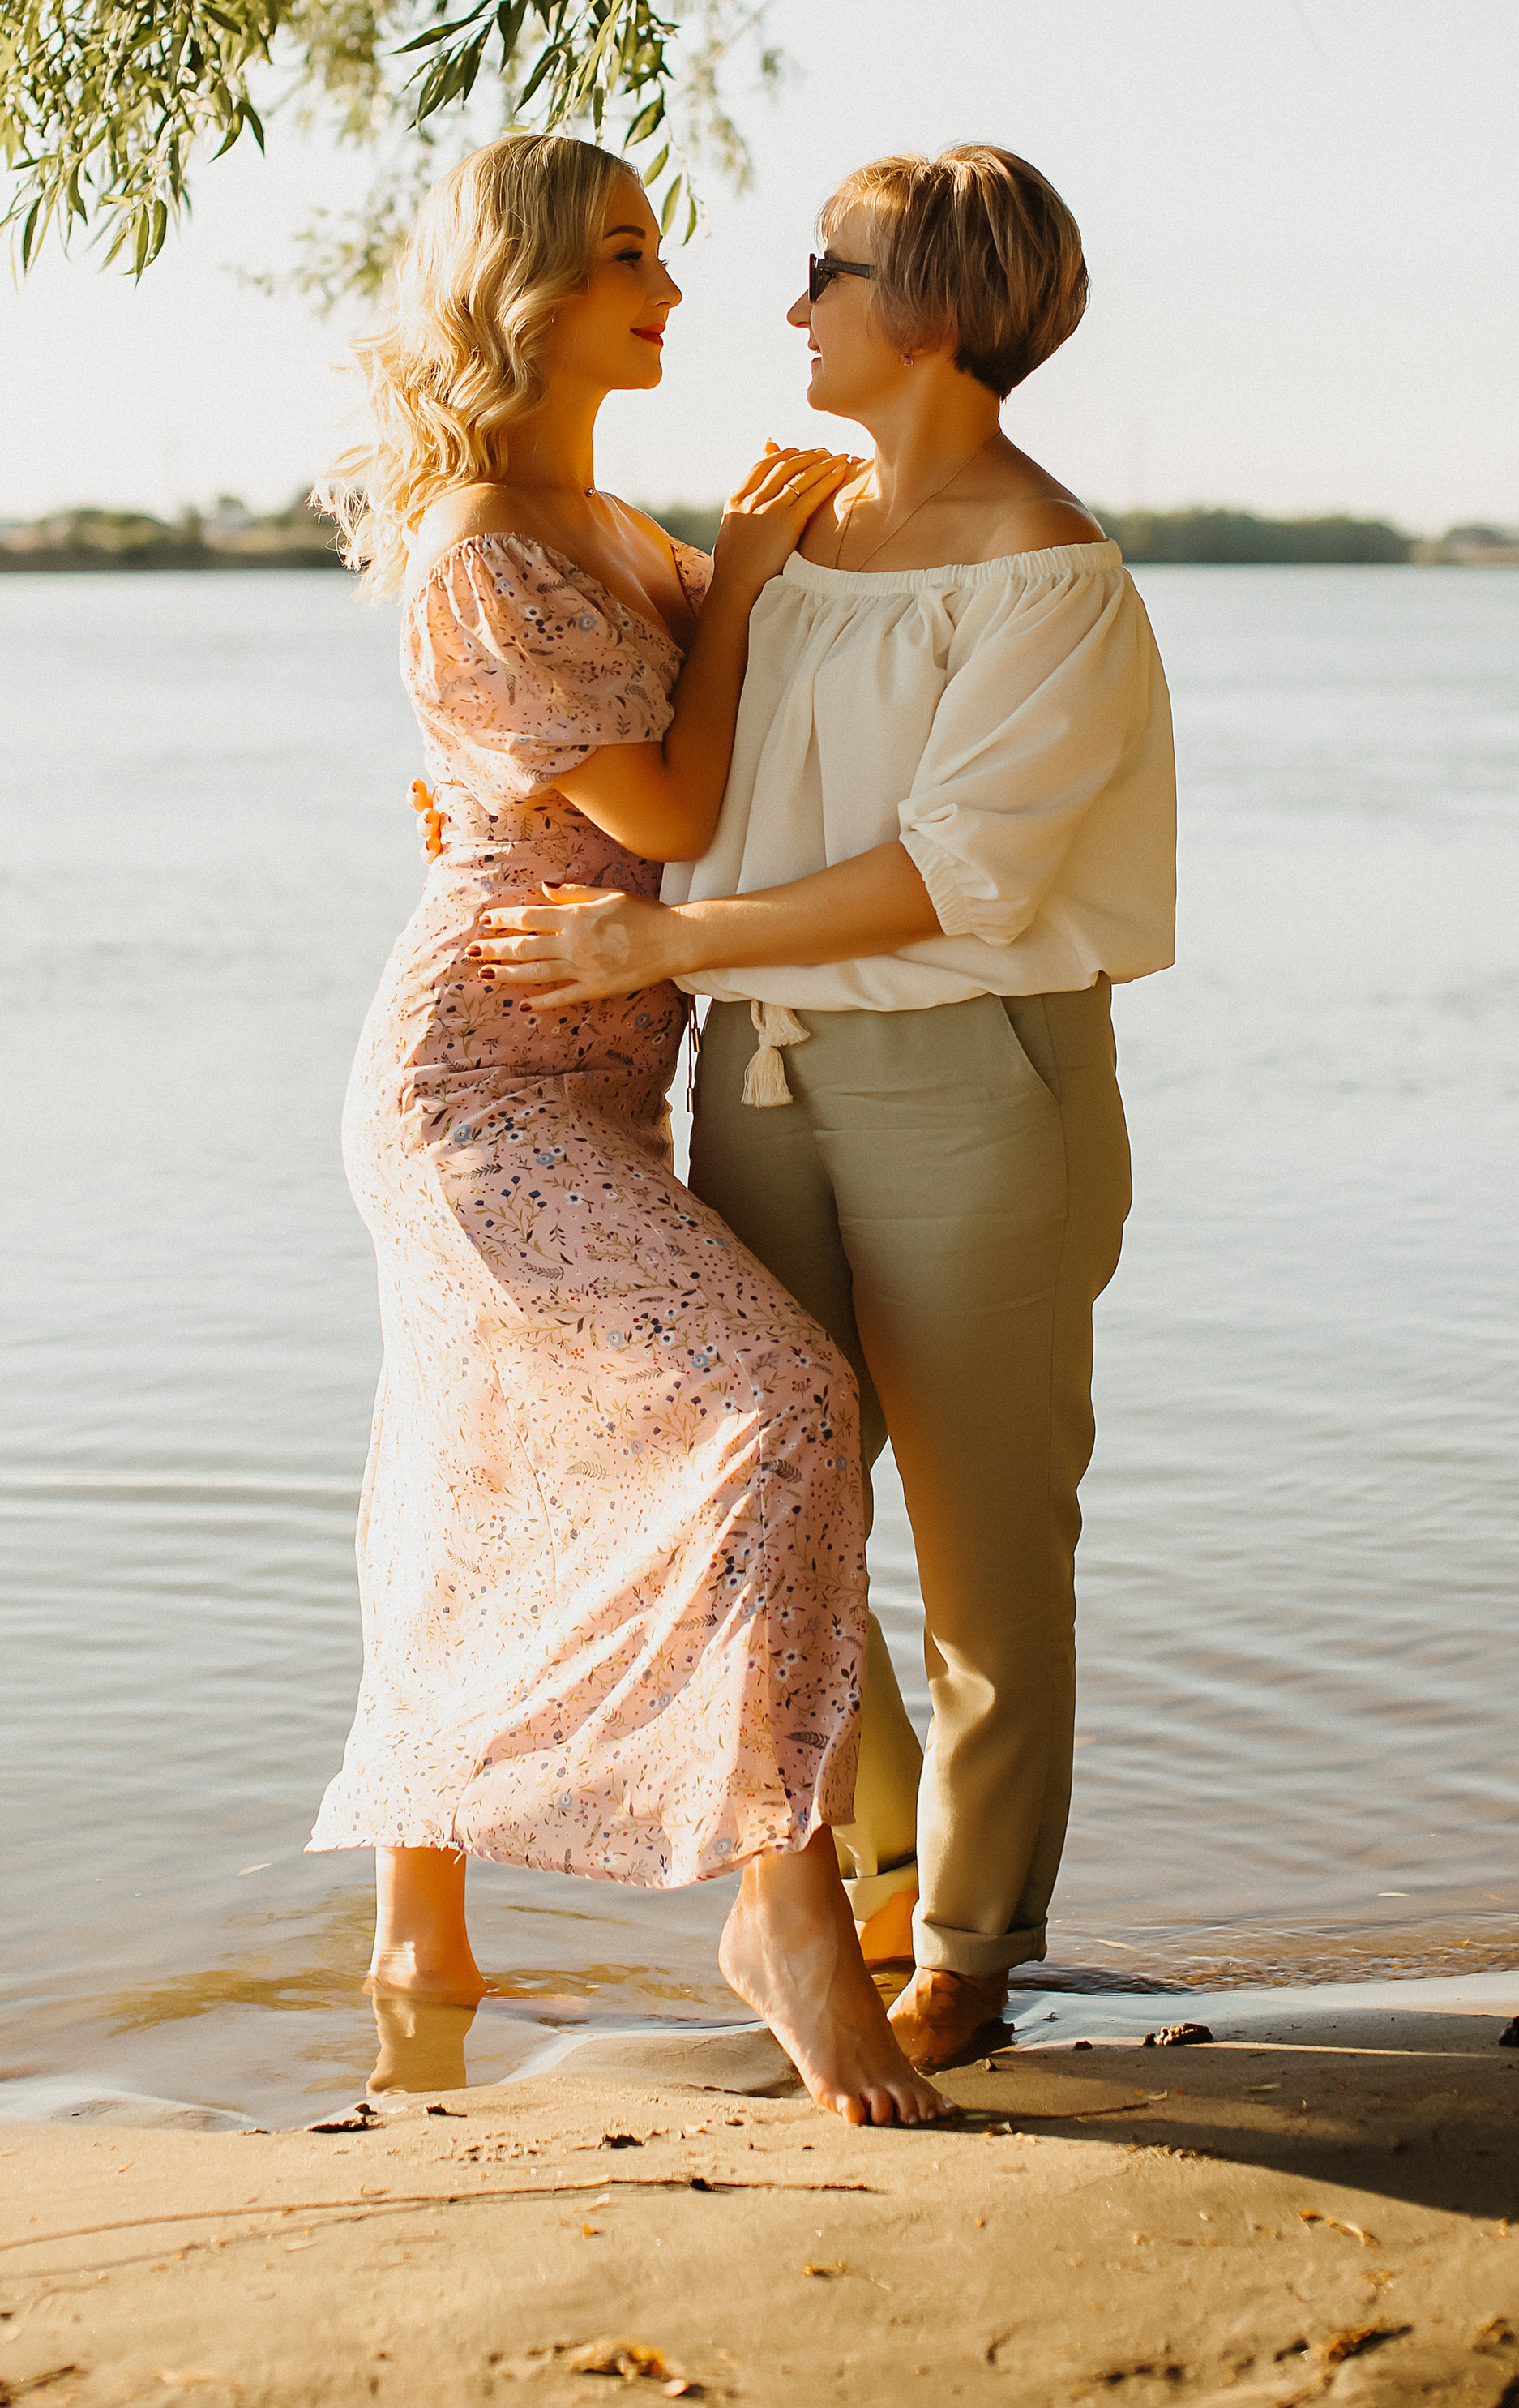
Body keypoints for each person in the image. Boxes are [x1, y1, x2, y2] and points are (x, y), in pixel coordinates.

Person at [477, 144, 1175, 2073]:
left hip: (973, 1080)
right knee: (773, 1489)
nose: (779, 303)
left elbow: (954, 874)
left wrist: (660, 949)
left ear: (932, 310)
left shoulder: (1049, 575)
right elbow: (644, 751)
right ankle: (862, 1867)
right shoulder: (793, 546)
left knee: (984, 1540)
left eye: (825, 269)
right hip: (754, 1074)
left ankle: (967, 1942)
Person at [308, 129, 952, 2127]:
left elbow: (725, 763)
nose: (665, 285)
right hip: (476, 1088)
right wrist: (749, 579)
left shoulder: (611, 528)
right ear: (523, 295)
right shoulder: (485, 541)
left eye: (659, 245)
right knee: (778, 1401)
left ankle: (421, 1954)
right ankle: (784, 1912)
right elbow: (671, 819)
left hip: (604, 1066)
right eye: (618, 256)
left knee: (468, 1476)